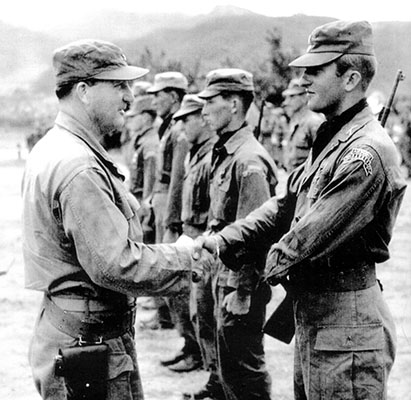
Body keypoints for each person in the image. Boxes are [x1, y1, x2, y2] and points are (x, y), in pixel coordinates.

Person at [193, 21, 407, 400]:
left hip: (347, 328)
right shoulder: (331, 140)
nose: (304, 79)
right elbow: (282, 207)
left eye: (315, 70)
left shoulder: (364, 154)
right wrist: (222, 240)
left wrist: (247, 275)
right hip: (321, 321)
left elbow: (306, 237)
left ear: (350, 78)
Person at [21, 39, 212, 400]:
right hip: (90, 347)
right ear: (84, 91)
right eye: (118, 85)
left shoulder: (55, 147)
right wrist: (187, 256)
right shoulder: (79, 168)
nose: (129, 97)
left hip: (77, 333)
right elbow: (116, 264)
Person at [194, 68, 278, 400]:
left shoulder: (249, 159)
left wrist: (244, 290)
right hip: (224, 278)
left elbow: (258, 232)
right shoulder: (227, 152)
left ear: (232, 104)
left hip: (239, 284)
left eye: (209, 102)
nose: (202, 111)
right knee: (228, 367)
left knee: (245, 371)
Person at [147, 72, 203, 369]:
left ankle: (194, 348)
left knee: (179, 285)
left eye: (159, 93)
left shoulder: (179, 131)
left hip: (173, 212)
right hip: (165, 207)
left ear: (173, 95)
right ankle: (188, 344)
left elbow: (179, 179)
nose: (154, 98)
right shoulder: (170, 128)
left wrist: (173, 221)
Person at [172, 95, 218, 380]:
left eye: (187, 119)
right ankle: (212, 375)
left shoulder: (212, 155)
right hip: (192, 239)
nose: (182, 126)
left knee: (206, 314)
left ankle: (215, 377)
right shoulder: (197, 153)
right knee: (196, 312)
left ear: (202, 118)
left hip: (205, 244)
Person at [125, 95, 159, 243]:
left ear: (145, 117)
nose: (129, 120)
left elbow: (150, 180)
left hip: (143, 205)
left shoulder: (150, 143)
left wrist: (145, 211)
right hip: (136, 201)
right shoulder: (142, 140)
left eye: (133, 116)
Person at [281, 78, 324, 172]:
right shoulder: (295, 121)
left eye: (292, 96)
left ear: (305, 97)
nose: (287, 101)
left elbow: (323, 160)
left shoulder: (314, 123)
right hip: (294, 179)